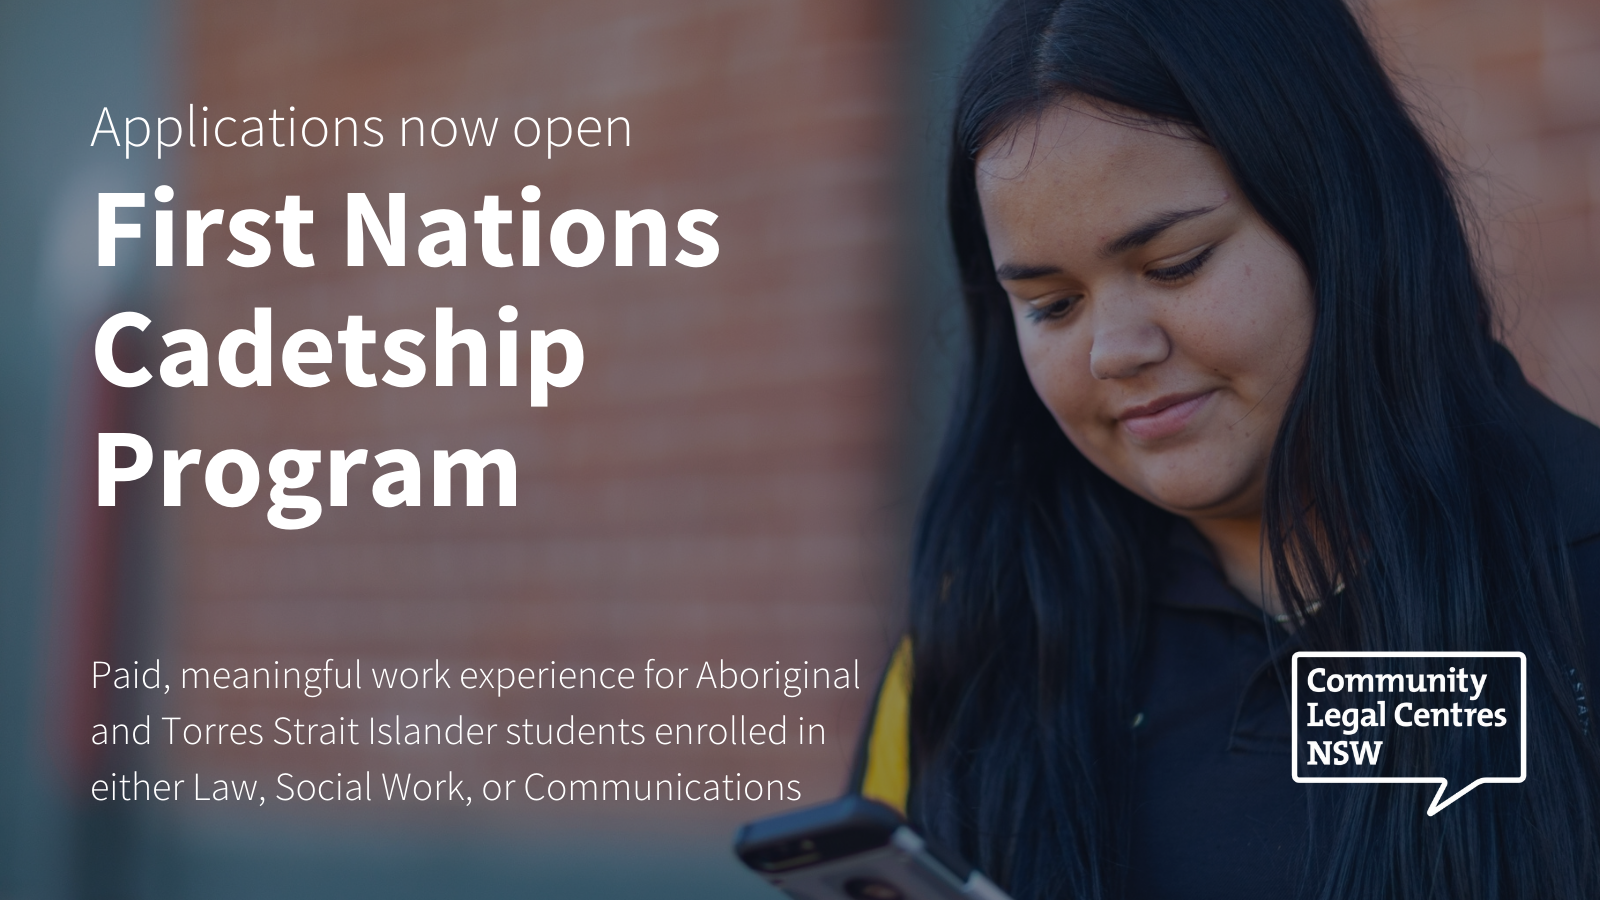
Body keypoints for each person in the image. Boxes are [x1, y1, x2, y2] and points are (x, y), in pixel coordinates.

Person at [849, 0, 1600, 898]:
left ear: (1339, 211)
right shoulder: (974, 637)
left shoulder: (1576, 571)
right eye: (1051, 304)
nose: (1114, 349)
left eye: (1175, 264)